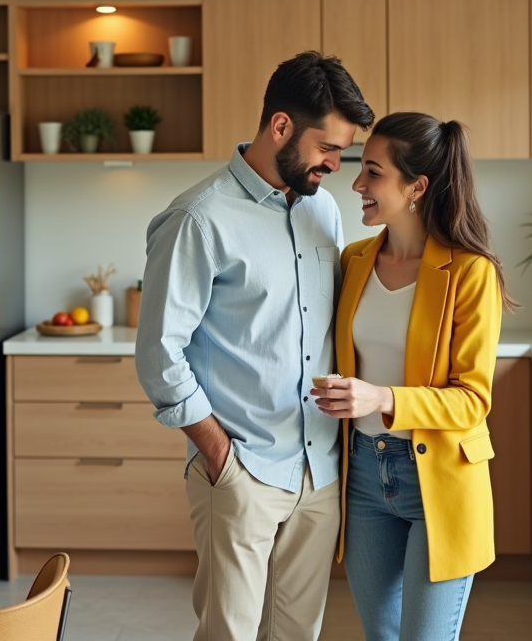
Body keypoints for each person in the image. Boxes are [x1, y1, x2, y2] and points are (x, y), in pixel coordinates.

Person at [135, 51, 375, 641]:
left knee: (298, 634)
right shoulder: (199, 217)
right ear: (281, 127)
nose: (335, 164)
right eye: (327, 148)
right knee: (230, 634)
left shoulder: (323, 209)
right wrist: (220, 455)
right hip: (241, 469)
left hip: (319, 472)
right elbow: (159, 354)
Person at [311, 112, 513, 641]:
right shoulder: (353, 261)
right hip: (363, 477)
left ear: (416, 186)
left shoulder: (471, 271)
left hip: (439, 482)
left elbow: (472, 401)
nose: (356, 183)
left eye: (372, 172)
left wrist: (379, 396)